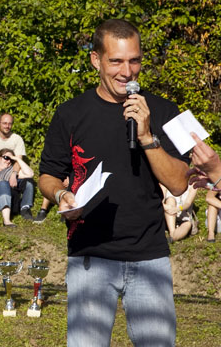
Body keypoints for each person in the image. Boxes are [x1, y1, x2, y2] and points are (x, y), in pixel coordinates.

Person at [38, 18, 189, 346]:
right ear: (96, 60)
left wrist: (148, 136)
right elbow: (47, 175)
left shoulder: (164, 110)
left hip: (149, 257)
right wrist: (62, 193)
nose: (127, 71)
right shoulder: (69, 114)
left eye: (134, 60)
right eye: (116, 61)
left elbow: (179, 184)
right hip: (90, 256)